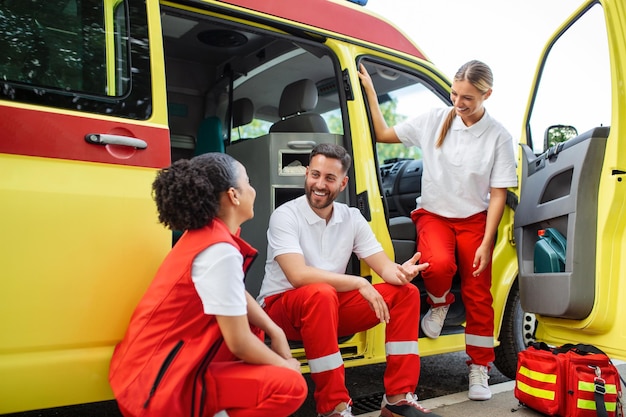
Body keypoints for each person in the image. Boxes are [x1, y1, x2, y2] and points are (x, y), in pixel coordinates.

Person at [358, 60, 518, 401]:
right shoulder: (434, 119)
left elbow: (499, 195)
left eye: (468, 98)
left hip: (475, 220)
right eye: (454, 94)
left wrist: (487, 243)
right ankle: (440, 302)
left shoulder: (498, 137)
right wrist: (371, 93)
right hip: (434, 216)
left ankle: (479, 369)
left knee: (479, 293)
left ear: (487, 95)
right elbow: (384, 135)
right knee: (439, 265)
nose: (458, 103)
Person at [109, 153, 307, 417]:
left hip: (153, 371)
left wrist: (274, 329)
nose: (253, 190)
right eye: (247, 182)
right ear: (234, 195)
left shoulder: (210, 236)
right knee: (290, 386)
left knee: (257, 336)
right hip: (159, 386)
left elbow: (234, 293)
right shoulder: (218, 250)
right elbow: (239, 343)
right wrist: (286, 366)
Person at [257, 143, 441, 417]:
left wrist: (401, 274)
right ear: (306, 173)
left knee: (407, 294)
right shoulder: (286, 215)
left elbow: (384, 267)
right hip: (281, 311)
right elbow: (298, 276)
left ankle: (397, 400)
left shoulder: (351, 217)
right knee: (320, 293)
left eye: (329, 178)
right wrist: (358, 283)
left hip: (327, 307)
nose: (320, 184)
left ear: (342, 183)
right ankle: (334, 408)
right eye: (315, 174)